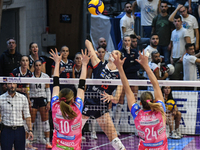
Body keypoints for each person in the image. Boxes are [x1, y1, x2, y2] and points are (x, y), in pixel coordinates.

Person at [112, 50, 168, 150]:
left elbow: (127, 88)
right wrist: (146, 66)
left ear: (140, 103)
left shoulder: (138, 114)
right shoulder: (160, 110)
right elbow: (156, 84)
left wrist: (120, 68)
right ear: (154, 101)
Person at [82, 40, 126, 150]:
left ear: (119, 60)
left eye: (116, 53)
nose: (112, 53)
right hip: (88, 103)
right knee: (73, 134)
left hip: (101, 107)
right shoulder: (99, 64)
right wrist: (93, 52)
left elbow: (116, 99)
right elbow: (87, 42)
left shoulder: (119, 77)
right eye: (113, 52)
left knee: (115, 140)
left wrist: (111, 97)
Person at [50, 48, 89, 150]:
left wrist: (57, 63)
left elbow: (55, 83)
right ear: (72, 100)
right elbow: (81, 85)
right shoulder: (77, 108)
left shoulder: (55, 106)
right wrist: (85, 65)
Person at [114, 35, 140, 136]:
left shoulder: (135, 52)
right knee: (120, 102)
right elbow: (121, 66)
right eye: (125, 40)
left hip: (134, 80)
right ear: (123, 41)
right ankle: (115, 128)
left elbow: (137, 66)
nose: (127, 42)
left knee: (134, 103)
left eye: (129, 40)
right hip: (122, 80)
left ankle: (137, 129)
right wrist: (126, 68)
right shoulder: (119, 53)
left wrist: (126, 70)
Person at [0, 83, 33, 150]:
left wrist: (30, 130)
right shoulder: (1, 99)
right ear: (6, 85)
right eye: (10, 84)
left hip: (19, 130)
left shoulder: (23, 98)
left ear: (16, 85)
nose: (12, 86)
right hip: (6, 130)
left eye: (14, 84)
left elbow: (27, 115)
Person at [29, 60, 52, 149]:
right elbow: (28, 88)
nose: (38, 67)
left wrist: (49, 102)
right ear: (34, 66)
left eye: (40, 65)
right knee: (31, 121)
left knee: (45, 121)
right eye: (36, 65)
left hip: (42, 99)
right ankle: (28, 141)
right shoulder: (30, 77)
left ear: (42, 66)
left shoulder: (45, 76)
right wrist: (28, 100)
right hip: (33, 99)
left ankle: (47, 141)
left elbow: (47, 89)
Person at [152, 0, 174, 65]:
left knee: (167, 60)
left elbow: (172, 32)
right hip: (157, 43)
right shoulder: (156, 18)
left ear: (167, 7)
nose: (163, 8)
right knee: (155, 60)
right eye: (162, 6)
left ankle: (167, 74)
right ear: (160, 7)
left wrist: (170, 44)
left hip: (166, 43)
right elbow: (153, 31)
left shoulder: (170, 18)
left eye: (165, 6)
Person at [169, 15, 191, 80]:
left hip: (181, 57)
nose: (177, 23)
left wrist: (183, 57)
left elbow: (189, 45)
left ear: (181, 22)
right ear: (173, 22)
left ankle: (177, 89)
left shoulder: (185, 31)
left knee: (175, 74)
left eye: (178, 21)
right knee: (174, 75)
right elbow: (173, 46)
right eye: (175, 21)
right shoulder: (173, 32)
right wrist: (171, 57)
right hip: (174, 57)